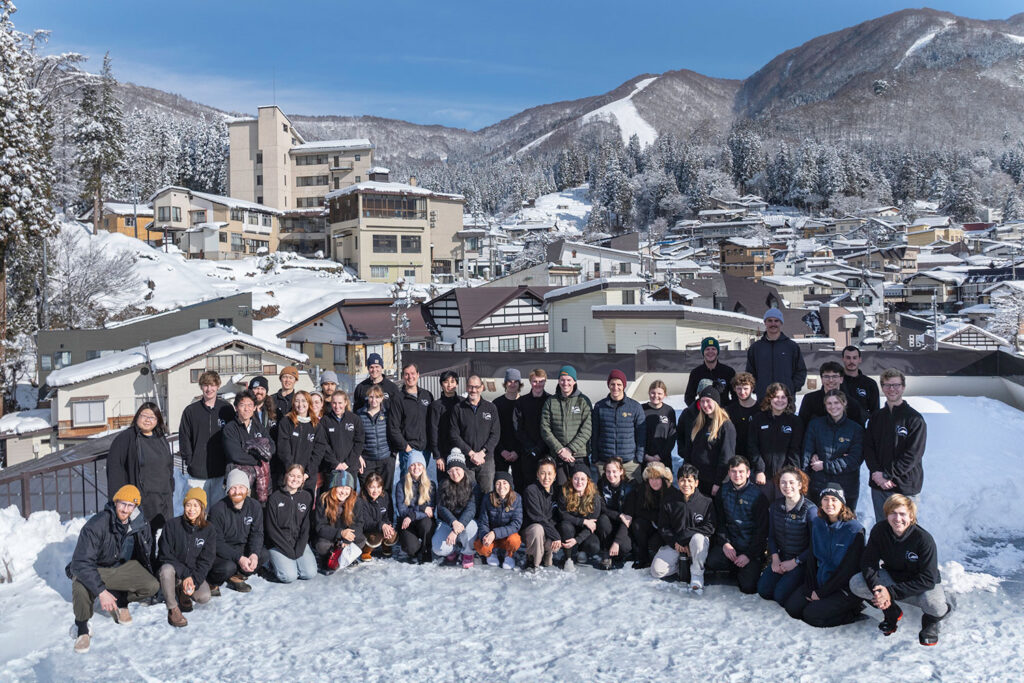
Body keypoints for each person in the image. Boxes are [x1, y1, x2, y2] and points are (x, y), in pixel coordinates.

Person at [850, 495, 953, 646]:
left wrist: (889, 593)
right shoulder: (880, 530)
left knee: (935, 607)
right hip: (894, 575)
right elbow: (868, 563)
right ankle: (891, 611)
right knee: (857, 583)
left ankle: (931, 621)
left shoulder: (923, 539)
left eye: (902, 514)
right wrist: (879, 591)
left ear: (911, 516)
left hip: (920, 583)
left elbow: (928, 579)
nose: (897, 518)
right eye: (893, 513)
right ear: (887, 515)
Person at [67, 485, 159, 653]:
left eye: (130, 505)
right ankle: (82, 628)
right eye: (122, 503)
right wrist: (102, 592)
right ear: (115, 502)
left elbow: (144, 553)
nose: (125, 509)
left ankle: (120, 600)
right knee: (80, 585)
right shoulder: (97, 524)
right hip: (94, 568)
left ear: (135, 507)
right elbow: (81, 562)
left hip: (119, 569)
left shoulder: (138, 523)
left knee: (152, 585)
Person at [784, 484, 866, 628]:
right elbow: (812, 558)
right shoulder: (818, 523)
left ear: (842, 503)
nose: (829, 504)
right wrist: (810, 587)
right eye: (826, 499)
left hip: (842, 588)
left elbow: (848, 570)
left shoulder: (854, 530)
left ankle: (853, 611)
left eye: (834, 500)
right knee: (793, 609)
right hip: (821, 581)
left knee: (811, 616)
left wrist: (821, 593)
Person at [864, 369, 927, 524]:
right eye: (887, 385)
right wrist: (877, 474)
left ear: (903, 387)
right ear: (882, 388)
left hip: (905, 486)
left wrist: (887, 474)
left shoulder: (914, 419)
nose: (892, 389)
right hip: (879, 486)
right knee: (883, 528)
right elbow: (868, 449)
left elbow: (913, 455)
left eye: (896, 385)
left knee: (905, 529)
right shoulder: (876, 418)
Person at [106, 402, 174, 536]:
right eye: (144, 415)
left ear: (158, 420)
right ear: (137, 416)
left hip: (163, 499)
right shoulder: (126, 438)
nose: (148, 420)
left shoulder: (160, 438)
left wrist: (171, 486)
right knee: (142, 538)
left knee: (162, 537)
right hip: (141, 499)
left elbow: (168, 466)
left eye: (153, 417)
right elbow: (114, 469)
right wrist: (119, 500)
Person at [707, 457, 768, 594]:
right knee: (712, 561)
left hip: (749, 547)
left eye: (741, 472)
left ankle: (749, 566)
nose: (737, 475)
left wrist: (749, 555)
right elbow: (720, 522)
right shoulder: (723, 491)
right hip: (732, 544)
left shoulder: (758, 496)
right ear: (728, 473)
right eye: (733, 472)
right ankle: (735, 566)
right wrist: (725, 543)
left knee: (748, 587)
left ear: (748, 473)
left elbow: (761, 531)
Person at [651, 464, 715, 594]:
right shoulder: (669, 501)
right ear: (678, 481)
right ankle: (681, 565)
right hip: (675, 544)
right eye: (682, 480)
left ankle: (697, 574)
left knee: (697, 539)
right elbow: (663, 527)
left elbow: (710, 526)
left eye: (690, 480)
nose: (686, 484)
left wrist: (685, 537)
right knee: (656, 571)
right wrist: (675, 542)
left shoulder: (706, 502)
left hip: (696, 544)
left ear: (696, 483)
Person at [757, 467, 816, 606]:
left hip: (802, 562)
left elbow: (815, 545)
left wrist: (795, 562)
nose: (787, 486)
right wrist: (775, 558)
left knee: (780, 595)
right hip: (782, 557)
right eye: (783, 482)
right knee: (764, 590)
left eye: (791, 482)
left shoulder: (810, 511)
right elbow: (771, 536)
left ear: (800, 485)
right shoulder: (776, 506)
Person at [158, 487, 216, 628]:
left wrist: (193, 580)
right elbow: (165, 554)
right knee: (165, 570)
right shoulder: (172, 525)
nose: (191, 509)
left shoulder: (209, 530)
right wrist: (185, 575)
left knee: (204, 597)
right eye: (188, 505)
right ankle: (173, 608)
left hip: (192, 574)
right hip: (174, 571)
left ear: (202, 508)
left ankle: (182, 591)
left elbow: (206, 560)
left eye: (196, 505)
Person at [802, 389, 864, 513]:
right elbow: (807, 454)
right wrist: (803, 481)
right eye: (829, 403)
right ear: (825, 406)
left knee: (845, 524)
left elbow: (854, 460)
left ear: (844, 403)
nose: (833, 406)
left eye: (837, 403)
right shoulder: (815, 425)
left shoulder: (855, 429)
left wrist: (824, 465)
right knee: (819, 524)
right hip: (819, 485)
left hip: (846, 487)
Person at [179, 370, 235, 506]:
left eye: (212, 385)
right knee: (198, 510)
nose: (209, 389)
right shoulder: (191, 411)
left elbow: (233, 436)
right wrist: (190, 461)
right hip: (197, 473)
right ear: (201, 387)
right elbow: (184, 438)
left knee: (218, 509)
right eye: (205, 385)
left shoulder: (226, 409)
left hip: (220, 472)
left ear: (218, 386)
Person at [207, 469, 266, 593]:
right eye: (233, 488)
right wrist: (238, 558)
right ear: (227, 490)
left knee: (263, 555)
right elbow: (216, 542)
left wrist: (254, 554)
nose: (237, 491)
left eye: (241, 487)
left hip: (241, 548)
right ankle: (212, 581)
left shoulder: (254, 506)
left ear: (247, 489)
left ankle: (235, 577)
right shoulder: (217, 510)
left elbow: (257, 533)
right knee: (228, 567)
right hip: (222, 553)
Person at [748, 382, 804, 502]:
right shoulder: (758, 419)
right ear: (769, 399)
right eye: (776, 397)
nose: (780, 400)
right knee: (762, 509)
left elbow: (795, 449)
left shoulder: (795, 421)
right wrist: (760, 470)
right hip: (763, 477)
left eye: (783, 397)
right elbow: (752, 446)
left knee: (783, 509)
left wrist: (791, 473)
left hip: (784, 478)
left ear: (788, 400)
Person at [540, 365, 593, 486]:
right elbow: (545, 428)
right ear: (558, 381)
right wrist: (560, 449)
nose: (565, 383)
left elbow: (587, 429)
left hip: (579, 455)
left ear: (574, 381)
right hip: (558, 456)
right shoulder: (550, 402)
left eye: (569, 380)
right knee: (561, 490)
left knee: (580, 489)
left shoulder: (583, 401)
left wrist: (570, 449)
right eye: (562, 379)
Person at [264, 464, 317, 583]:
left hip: (298, 542)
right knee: (289, 576)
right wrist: (288, 550)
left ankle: (291, 561)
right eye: (292, 475)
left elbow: (306, 526)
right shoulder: (274, 498)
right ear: (286, 476)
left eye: (299, 476)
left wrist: (299, 547)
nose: (295, 479)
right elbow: (271, 528)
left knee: (309, 573)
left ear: (303, 479)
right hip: (278, 543)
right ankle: (271, 564)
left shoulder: (306, 497)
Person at [447, 374, 500, 493]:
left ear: (482, 387)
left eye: (476, 387)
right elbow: (454, 434)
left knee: (487, 492)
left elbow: (495, 434)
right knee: (467, 493)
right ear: (466, 388)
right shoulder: (458, 408)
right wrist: (470, 453)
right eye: (471, 387)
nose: (473, 390)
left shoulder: (490, 408)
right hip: (466, 459)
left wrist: (482, 453)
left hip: (486, 460)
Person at [591, 369, 645, 481]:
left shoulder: (635, 407)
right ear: (608, 385)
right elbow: (594, 433)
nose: (615, 387)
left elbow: (641, 435)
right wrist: (596, 458)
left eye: (619, 384)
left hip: (629, 463)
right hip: (605, 462)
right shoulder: (599, 407)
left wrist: (638, 459)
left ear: (624, 385)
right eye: (612, 384)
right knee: (604, 496)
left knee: (632, 496)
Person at [222, 391, 274, 503]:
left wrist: (264, 454)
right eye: (242, 405)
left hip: (260, 481)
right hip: (239, 480)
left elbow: (272, 446)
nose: (246, 409)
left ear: (255, 407)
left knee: (258, 510)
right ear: (236, 408)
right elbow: (235, 454)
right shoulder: (230, 428)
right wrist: (259, 461)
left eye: (250, 405)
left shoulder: (258, 426)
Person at [387, 362, 435, 483]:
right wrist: (406, 447)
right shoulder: (398, 398)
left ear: (418, 375)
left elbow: (432, 423)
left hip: (425, 449)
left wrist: (431, 445)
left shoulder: (427, 395)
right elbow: (393, 427)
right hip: (408, 450)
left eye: (413, 373)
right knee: (407, 483)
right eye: (406, 374)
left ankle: (422, 503)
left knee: (423, 482)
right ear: (403, 376)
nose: (410, 377)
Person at [684, 387, 736, 497]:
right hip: (696, 479)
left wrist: (718, 482)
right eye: (702, 401)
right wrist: (687, 474)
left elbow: (726, 457)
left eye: (708, 401)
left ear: (716, 403)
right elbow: (690, 450)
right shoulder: (698, 423)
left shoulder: (725, 426)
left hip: (713, 482)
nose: (705, 405)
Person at [746, 307, 807, 399]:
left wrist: (792, 387)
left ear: (781, 323)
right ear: (765, 323)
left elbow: (801, 370)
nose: (773, 324)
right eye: (770, 320)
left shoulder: (791, 346)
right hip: (763, 398)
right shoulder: (756, 348)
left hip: (786, 398)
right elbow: (750, 372)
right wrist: (757, 388)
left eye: (776, 321)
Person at [433, 449, 479, 568]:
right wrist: (453, 522)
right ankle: (453, 549)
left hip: (466, 522)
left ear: (463, 469)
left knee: (472, 529)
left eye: (457, 469)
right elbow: (441, 507)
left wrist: (456, 530)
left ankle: (468, 553)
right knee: (439, 548)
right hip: (448, 522)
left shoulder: (472, 484)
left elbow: (471, 509)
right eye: (451, 470)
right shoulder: (443, 484)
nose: (455, 473)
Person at [625, 462, 674, 569]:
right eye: (651, 478)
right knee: (638, 524)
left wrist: (658, 517)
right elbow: (639, 510)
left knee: (655, 543)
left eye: (657, 478)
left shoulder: (670, 491)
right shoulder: (644, 488)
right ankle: (643, 557)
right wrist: (654, 517)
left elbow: (670, 516)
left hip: (665, 526)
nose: (654, 482)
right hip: (652, 522)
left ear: (663, 478)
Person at [315, 390, 366, 493]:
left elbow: (359, 442)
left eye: (340, 403)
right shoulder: (325, 421)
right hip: (332, 468)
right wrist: (335, 463)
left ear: (345, 403)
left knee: (349, 498)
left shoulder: (354, 419)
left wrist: (347, 463)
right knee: (332, 498)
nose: (337, 406)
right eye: (334, 403)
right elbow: (323, 444)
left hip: (350, 467)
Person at [313, 470, 365, 572]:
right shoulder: (323, 500)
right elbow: (320, 527)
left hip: (346, 538)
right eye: (340, 487)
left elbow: (359, 524)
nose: (343, 491)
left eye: (347, 488)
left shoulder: (356, 501)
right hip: (331, 537)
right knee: (321, 545)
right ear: (333, 487)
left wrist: (347, 540)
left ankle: (344, 557)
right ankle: (328, 557)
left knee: (362, 539)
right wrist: (340, 533)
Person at [557, 462, 602, 569]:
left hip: (585, 531)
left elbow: (592, 524)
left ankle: (581, 550)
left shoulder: (594, 496)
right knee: (565, 526)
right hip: (570, 528)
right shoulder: (565, 492)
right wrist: (583, 521)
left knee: (594, 546)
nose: (579, 482)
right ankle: (568, 557)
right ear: (571, 479)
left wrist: (578, 540)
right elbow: (562, 514)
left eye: (583, 479)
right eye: (576, 478)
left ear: (588, 480)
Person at [275, 390, 320, 499]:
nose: (300, 404)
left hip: (307, 477)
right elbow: (283, 449)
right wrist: (292, 472)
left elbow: (318, 451)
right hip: (288, 475)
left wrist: (306, 473)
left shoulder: (316, 425)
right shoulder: (286, 422)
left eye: (304, 401)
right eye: (297, 401)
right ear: (293, 403)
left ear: (309, 403)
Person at [512, 368, 551, 492]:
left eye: (541, 381)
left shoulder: (551, 401)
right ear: (530, 382)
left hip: (546, 450)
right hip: (527, 451)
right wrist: (529, 446)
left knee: (546, 484)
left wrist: (540, 446)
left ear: (545, 382)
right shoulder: (521, 402)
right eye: (535, 381)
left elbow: (552, 426)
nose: (538, 384)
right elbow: (517, 426)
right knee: (528, 485)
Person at [475, 470, 522, 570]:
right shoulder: (488, 498)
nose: (501, 486)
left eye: (505, 483)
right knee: (480, 546)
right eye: (498, 483)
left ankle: (508, 555)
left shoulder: (517, 498)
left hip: (506, 537)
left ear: (510, 485)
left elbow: (516, 524)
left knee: (515, 540)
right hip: (491, 537)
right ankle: (491, 554)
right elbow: (483, 521)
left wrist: (495, 533)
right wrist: (485, 536)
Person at [394, 452, 436, 563]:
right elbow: (402, 510)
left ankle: (427, 548)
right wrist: (422, 509)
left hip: (422, 521)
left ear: (423, 466)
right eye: (413, 465)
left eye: (419, 464)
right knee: (410, 548)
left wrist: (414, 514)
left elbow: (430, 511)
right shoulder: (401, 484)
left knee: (427, 524)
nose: (416, 468)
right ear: (408, 467)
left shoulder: (431, 485)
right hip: (408, 522)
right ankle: (417, 549)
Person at [798, 362, 866, 428]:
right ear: (821, 379)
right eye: (826, 376)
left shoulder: (852, 403)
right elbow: (802, 426)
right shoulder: (809, 399)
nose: (830, 380)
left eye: (835, 376)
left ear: (841, 379)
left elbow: (859, 430)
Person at [596, 457, 634, 569]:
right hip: (608, 522)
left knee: (624, 547)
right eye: (608, 471)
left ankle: (617, 550)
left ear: (621, 471)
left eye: (614, 471)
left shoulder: (629, 487)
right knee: (602, 519)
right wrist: (618, 515)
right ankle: (606, 552)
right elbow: (602, 508)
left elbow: (628, 518)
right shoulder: (601, 484)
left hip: (625, 525)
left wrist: (617, 542)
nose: (611, 475)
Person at [684, 336, 736, 406]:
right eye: (707, 349)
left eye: (713, 349)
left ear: (717, 351)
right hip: (704, 413)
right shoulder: (696, 373)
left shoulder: (728, 372)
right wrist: (699, 410)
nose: (710, 352)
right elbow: (688, 397)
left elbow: (735, 396)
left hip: (723, 414)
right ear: (703, 352)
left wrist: (727, 410)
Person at [427, 370, 461, 477]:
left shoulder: (463, 403)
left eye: (452, 381)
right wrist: (437, 455)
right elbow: (433, 430)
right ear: (441, 384)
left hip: (461, 450)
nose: (450, 384)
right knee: (444, 484)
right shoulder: (435, 406)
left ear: (457, 384)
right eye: (446, 381)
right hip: (444, 451)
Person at [359, 472, 397, 560]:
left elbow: (389, 515)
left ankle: (385, 545)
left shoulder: (385, 496)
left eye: (378, 487)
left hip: (381, 526)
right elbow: (366, 523)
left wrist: (388, 525)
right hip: (368, 530)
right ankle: (366, 550)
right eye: (372, 487)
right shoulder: (361, 500)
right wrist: (381, 525)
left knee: (392, 535)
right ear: (366, 487)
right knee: (375, 538)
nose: (375, 491)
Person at [357, 385, 390, 486]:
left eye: (377, 397)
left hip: (385, 458)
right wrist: (358, 456)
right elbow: (355, 438)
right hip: (367, 459)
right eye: (371, 397)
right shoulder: (359, 415)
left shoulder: (387, 414)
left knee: (384, 490)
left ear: (381, 398)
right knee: (366, 489)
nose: (373, 400)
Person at [493, 368, 523, 479]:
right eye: (510, 381)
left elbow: (527, 430)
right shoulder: (497, 403)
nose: (512, 384)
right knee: (500, 484)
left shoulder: (524, 403)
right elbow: (494, 430)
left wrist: (517, 451)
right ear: (505, 383)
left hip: (520, 452)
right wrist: (502, 451)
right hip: (501, 452)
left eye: (516, 381)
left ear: (520, 384)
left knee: (520, 484)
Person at [642, 380, 676, 472]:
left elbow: (672, 436)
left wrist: (660, 456)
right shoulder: (641, 409)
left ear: (665, 395)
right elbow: (636, 435)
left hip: (663, 459)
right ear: (649, 393)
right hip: (644, 459)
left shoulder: (669, 411)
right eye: (653, 393)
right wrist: (645, 456)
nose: (656, 396)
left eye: (659, 393)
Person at [725, 372, 759, 459]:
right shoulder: (729, 410)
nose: (742, 392)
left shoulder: (761, 409)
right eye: (739, 388)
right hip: (736, 458)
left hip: (756, 458)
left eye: (746, 388)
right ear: (734, 389)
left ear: (752, 389)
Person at [840, 345, 880, 418]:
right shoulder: (835, 382)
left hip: (862, 427)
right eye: (848, 358)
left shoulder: (870, 384)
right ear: (843, 359)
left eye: (854, 358)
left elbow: (875, 412)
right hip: (839, 427)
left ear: (860, 359)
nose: (851, 361)